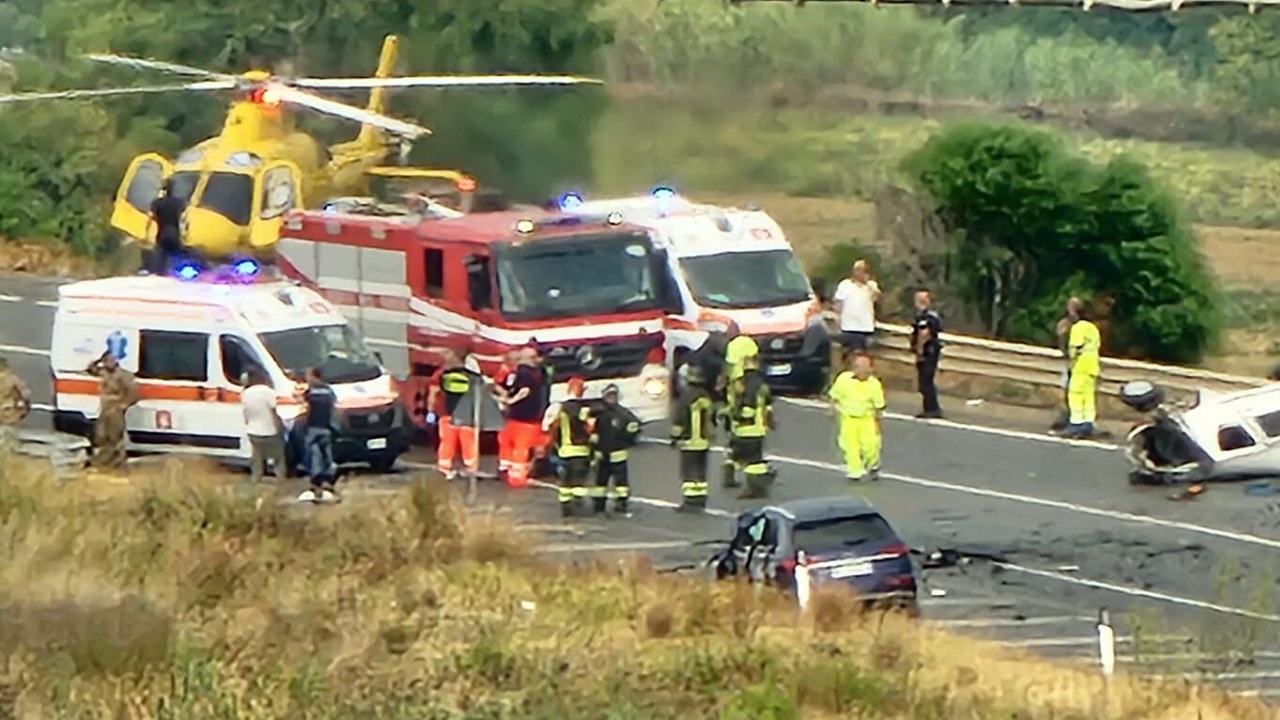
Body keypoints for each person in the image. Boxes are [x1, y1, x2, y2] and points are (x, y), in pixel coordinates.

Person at [721, 353, 776, 499]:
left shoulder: (745, 384)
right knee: (753, 458)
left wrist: (735, 417)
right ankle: (759, 483)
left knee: (751, 461)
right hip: (758, 428)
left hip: (746, 429)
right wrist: (770, 422)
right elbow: (768, 405)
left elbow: (747, 407)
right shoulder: (762, 384)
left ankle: (756, 487)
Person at [827, 352, 886, 482]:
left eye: (865, 367)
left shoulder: (874, 384)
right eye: (858, 366)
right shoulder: (843, 379)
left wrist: (879, 424)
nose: (861, 370)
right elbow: (835, 395)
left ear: (871, 369)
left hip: (867, 420)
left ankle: (873, 465)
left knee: (870, 446)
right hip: (848, 419)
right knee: (849, 445)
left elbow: (878, 407)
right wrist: (831, 409)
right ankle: (854, 471)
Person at [428, 350, 482, 480]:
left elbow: (433, 393)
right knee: (466, 442)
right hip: (464, 415)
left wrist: (430, 410)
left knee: (450, 442)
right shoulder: (471, 376)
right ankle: (469, 469)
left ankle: (446, 468)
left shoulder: (441, 375)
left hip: (449, 413)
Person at [500, 346, 549, 488]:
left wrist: (509, 401)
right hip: (530, 416)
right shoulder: (537, 372)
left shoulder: (524, 372)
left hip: (523, 417)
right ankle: (513, 472)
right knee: (517, 445)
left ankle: (516, 476)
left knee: (519, 446)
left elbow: (524, 391)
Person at [546, 376, 595, 517]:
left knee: (565, 481)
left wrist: (553, 446)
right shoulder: (580, 408)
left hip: (563, 451)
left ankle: (565, 507)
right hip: (579, 451)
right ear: (581, 390)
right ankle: (578, 505)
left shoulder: (558, 407)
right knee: (578, 481)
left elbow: (550, 427)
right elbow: (589, 426)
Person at [671, 364, 715, 512]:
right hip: (704, 441)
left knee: (688, 472)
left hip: (689, 442)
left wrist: (674, 437)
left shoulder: (686, 398)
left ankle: (690, 502)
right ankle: (701, 499)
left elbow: (680, 420)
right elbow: (712, 418)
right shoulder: (706, 396)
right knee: (701, 471)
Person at [85, 350, 139, 472]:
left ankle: (118, 464)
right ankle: (104, 463)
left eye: (111, 360)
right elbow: (90, 369)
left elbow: (134, 392)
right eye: (107, 360)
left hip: (116, 409)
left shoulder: (124, 375)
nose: (109, 363)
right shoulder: (103, 372)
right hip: (105, 408)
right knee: (102, 436)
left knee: (115, 437)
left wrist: (124, 405)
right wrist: (99, 359)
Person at [592, 383, 641, 516]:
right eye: (609, 395)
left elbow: (635, 426)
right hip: (603, 453)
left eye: (613, 395)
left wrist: (625, 440)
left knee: (621, 483)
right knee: (601, 482)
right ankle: (599, 506)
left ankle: (621, 504)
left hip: (618, 453)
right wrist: (596, 449)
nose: (611, 398)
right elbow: (594, 433)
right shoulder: (599, 413)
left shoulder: (623, 414)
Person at [1062, 301, 1102, 439]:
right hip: (1092, 366)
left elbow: (1076, 348)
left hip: (1081, 366)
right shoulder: (1093, 328)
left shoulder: (1078, 327)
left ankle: (1076, 424)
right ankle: (1088, 423)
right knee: (1088, 397)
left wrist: (1070, 360)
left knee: (1076, 395)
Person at [300, 366, 339, 502]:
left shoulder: (310, 392)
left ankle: (315, 483)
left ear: (313, 376)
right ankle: (328, 483)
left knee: (313, 455)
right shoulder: (329, 391)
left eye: (308, 375)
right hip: (326, 427)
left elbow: (304, 406)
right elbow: (334, 408)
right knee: (326, 455)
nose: (306, 378)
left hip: (313, 427)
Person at [242, 368, 286, 483]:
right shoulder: (269, 392)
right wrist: (279, 426)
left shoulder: (246, 393)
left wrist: (247, 423)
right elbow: (273, 411)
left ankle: (256, 478)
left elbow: (246, 412)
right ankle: (279, 478)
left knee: (256, 457)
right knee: (278, 456)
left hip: (253, 430)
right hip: (269, 430)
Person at [832, 259, 881, 352]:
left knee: (862, 356)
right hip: (848, 327)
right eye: (857, 269)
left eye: (862, 270)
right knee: (848, 354)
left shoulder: (871, 286)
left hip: (865, 327)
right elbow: (837, 303)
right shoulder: (845, 285)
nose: (859, 272)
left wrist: (867, 284)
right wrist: (838, 318)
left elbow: (877, 298)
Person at [911, 288, 944, 419]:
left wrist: (919, 351)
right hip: (931, 351)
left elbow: (924, 334)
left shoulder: (925, 317)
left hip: (928, 351)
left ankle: (932, 408)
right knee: (925, 380)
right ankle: (929, 407)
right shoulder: (929, 315)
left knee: (926, 380)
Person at [1051, 297, 1082, 431]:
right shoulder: (1064, 324)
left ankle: (1074, 419)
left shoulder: (1082, 325)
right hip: (1069, 362)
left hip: (1081, 364)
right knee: (1066, 392)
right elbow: (1062, 342)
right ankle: (1066, 417)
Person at [146, 179, 187, 275]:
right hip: (175, 233)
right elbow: (184, 219)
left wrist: (146, 232)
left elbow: (150, 217)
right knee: (179, 256)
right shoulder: (179, 203)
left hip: (162, 233)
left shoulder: (157, 203)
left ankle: (160, 273)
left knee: (161, 259)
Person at [492, 350, 521, 481]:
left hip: (516, 409)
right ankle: (504, 466)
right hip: (507, 408)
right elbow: (496, 384)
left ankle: (509, 466)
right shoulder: (506, 372)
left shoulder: (520, 373)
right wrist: (504, 395)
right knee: (505, 438)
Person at [723, 322, 759, 410]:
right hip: (752, 376)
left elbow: (730, 363)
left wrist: (726, 378)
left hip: (737, 378)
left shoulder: (732, 345)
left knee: (734, 404)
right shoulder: (750, 341)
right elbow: (756, 356)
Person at [0, 357, 31, 453]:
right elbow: (26, 394)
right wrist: (25, 407)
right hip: (9, 412)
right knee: (9, 437)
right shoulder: (12, 379)